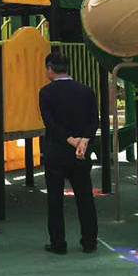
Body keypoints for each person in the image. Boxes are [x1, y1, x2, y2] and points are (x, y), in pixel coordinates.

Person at [38, 51, 99, 255]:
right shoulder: (86, 91)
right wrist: (84, 140)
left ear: (50, 69)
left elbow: (50, 123)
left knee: (55, 200)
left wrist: (70, 140)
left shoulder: (46, 93)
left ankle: (58, 243)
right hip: (81, 152)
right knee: (85, 197)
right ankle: (89, 242)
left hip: (56, 152)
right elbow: (94, 120)